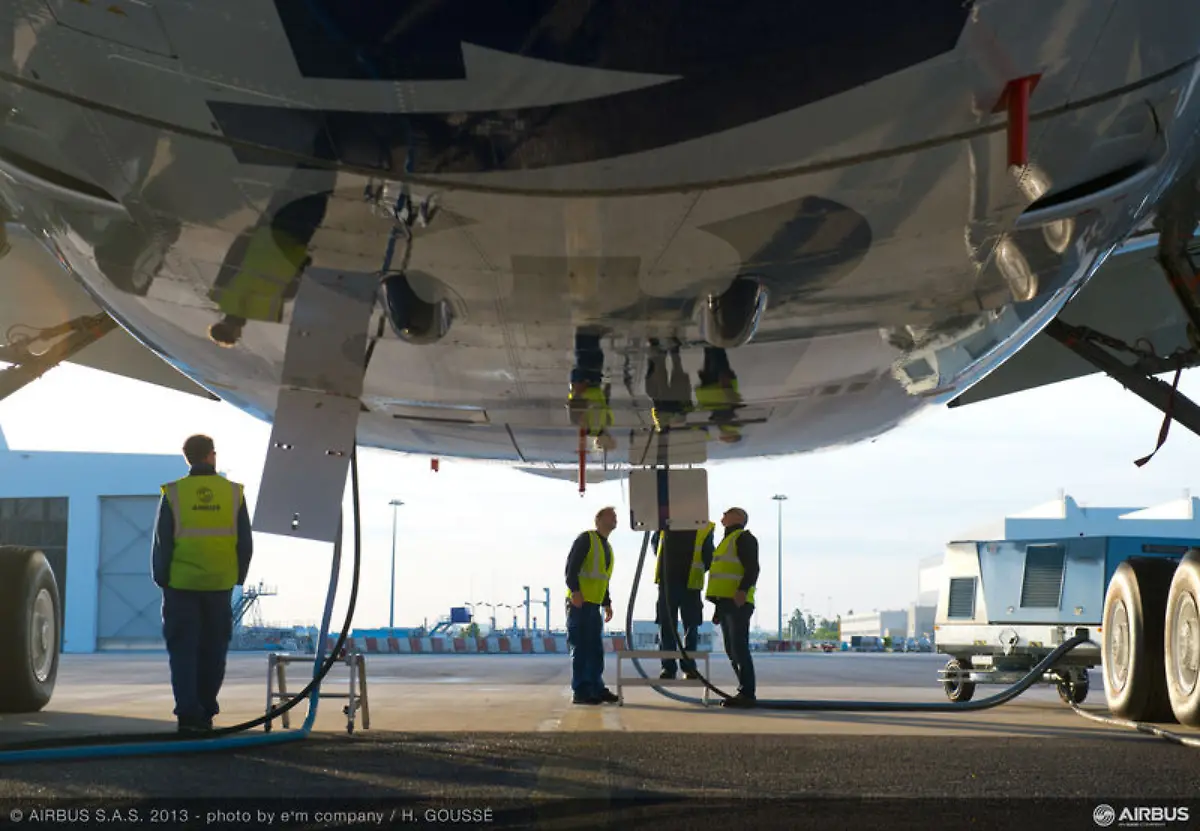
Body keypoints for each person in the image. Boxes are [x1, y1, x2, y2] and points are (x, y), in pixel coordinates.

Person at [151, 434, 253, 733]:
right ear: (211, 455)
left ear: (188, 458)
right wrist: (238, 577)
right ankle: (206, 710)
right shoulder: (234, 493)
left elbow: (162, 541)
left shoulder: (173, 493)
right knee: (213, 651)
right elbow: (245, 542)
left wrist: (163, 579)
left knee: (183, 652)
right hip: (219, 586)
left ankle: (187, 714)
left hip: (181, 586)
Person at [564, 506, 619, 705]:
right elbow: (572, 567)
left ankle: (596, 686)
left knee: (595, 649)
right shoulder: (586, 539)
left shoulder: (607, 547)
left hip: (594, 604)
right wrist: (575, 591)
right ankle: (581, 690)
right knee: (581, 647)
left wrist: (607, 603)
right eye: (611, 516)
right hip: (580, 603)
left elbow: (603, 579)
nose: (615, 519)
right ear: (598, 519)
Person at [706, 507, 760, 707]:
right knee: (731, 649)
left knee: (739, 647)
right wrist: (718, 609)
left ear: (738, 517)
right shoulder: (726, 541)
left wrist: (742, 591)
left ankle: (747, 692)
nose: (722, 517)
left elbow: (752, 567)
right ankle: (743, 690)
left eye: (726, 514)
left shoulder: (743, 538)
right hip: (726, 603)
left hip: (738, 602)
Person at [652, 522, 715, 679]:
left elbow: (708, 556)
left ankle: (680, 667)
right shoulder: (663, 522)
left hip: (687, 583)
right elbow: (656, 545)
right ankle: (673, 666)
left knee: (687, 626)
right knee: (670, 626)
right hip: (671, 582)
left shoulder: (704, 526)